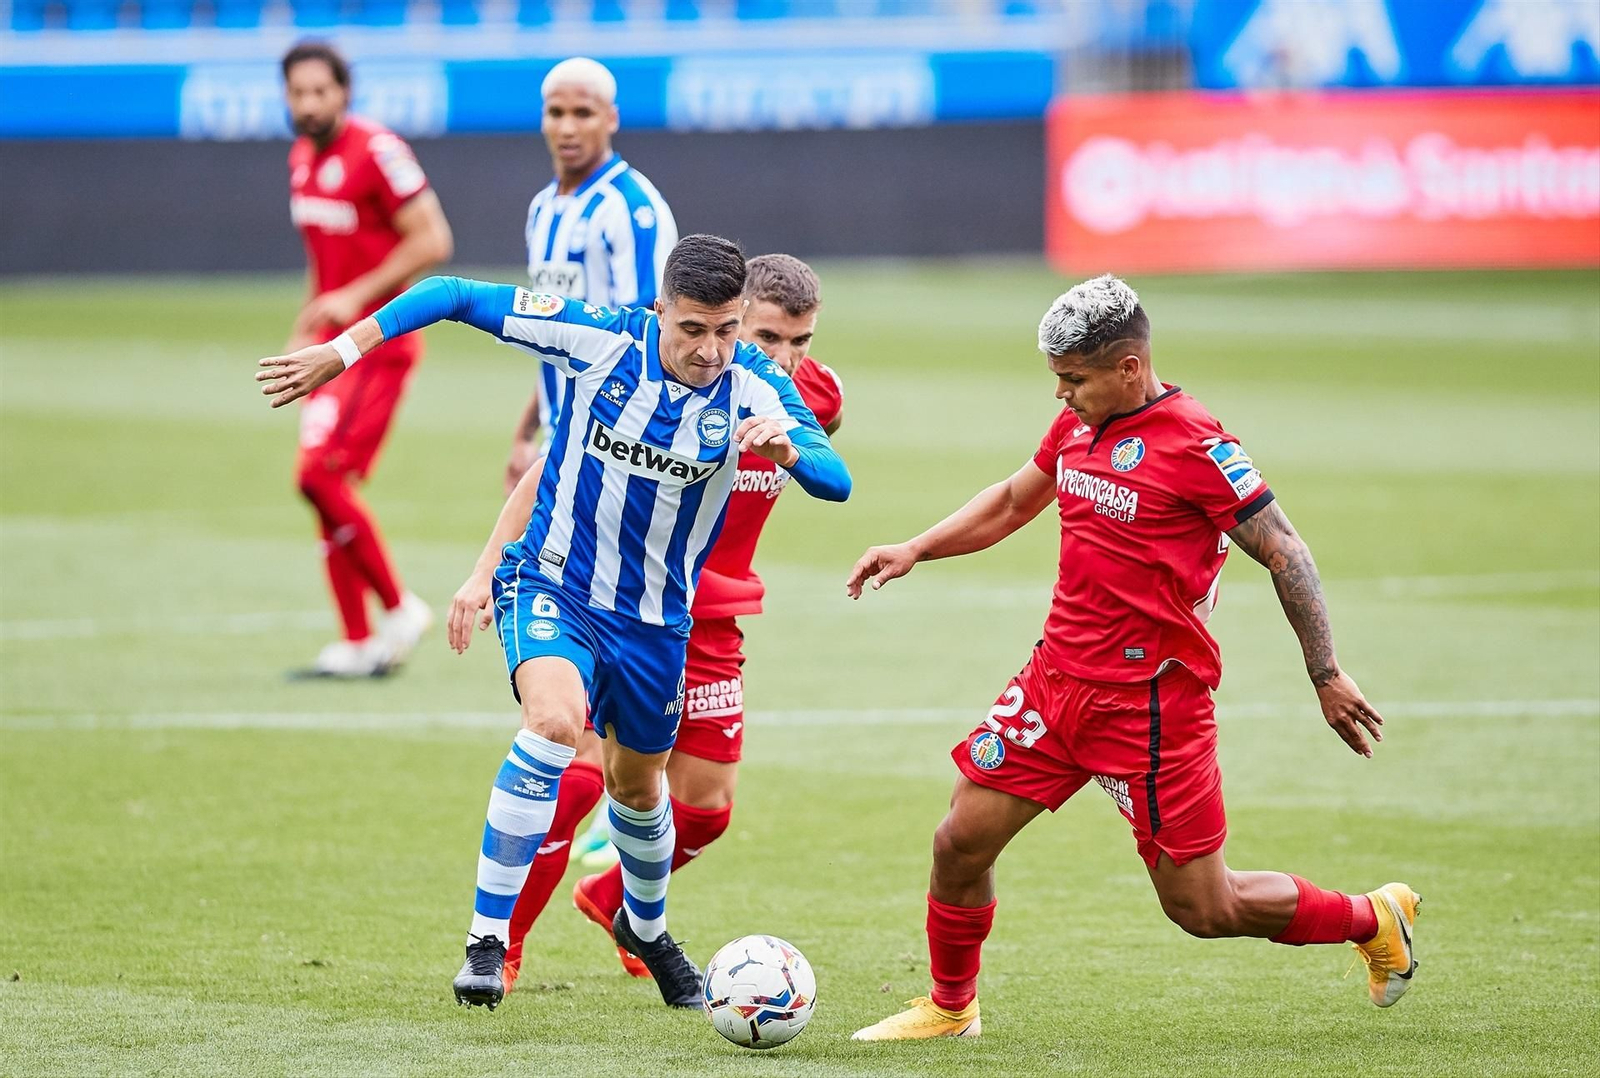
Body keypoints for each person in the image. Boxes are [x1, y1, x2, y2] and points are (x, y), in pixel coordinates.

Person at [255, 235, 851, 1013]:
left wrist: (791, 450)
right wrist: (344, 350)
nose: (712, 350)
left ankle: (648, 926)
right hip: (553, 585)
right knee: (552, 725)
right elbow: (452, 294)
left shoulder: (759, 385)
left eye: (727, 331)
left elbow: (835, 481)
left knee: (641, 794)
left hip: (657, 623)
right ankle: (488, 941)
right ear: (660, 311)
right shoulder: (599, 334)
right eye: (695, 329)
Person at [846, 275, 1418, 1042]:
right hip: (1053, 684)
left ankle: (1370, 917)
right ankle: (952, 1009)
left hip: (1150, 705)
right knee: (959, 840)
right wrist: (918, 546)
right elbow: (1016, 500)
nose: (1061, 396)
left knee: (1202, 909)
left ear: (1128, 367)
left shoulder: (1197, 442)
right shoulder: (1078, 429)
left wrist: (1325, 672)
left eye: (1073, 379)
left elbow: (1286, 551)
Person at [445, 254, 844, 992]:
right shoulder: (679, 360)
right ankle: (504, 948)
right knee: (568, 764)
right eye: (766, 336)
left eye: (801, 341)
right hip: (608, 599)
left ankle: (621, 905)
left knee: (702, 806)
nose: (781, 356)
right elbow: (556, 468)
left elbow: (829, 477)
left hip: (708, 618)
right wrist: (483, 567)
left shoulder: (804, 396)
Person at [282, 41, 454, 677]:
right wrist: (306, 329)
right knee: (324, 486)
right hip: (331, 349)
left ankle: (399, 607)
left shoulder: (378, 151)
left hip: (377, 344)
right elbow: (323, 261)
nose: (308, 104)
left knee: (318, 476)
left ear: (344, 93)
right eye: (297, 93)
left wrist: (355, 296)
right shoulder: (302, 158)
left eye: (319, 91)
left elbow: (434, 239)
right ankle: (356, 641)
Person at [506, 56, 679, 494]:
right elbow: (556, 332)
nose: (567, 128)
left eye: (582, 113)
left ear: (611, 118)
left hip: (612, 439)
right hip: (560, 431)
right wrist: (526, 429)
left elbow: (650, 331)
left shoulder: (631, 208)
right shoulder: (542, 208)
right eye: (556, 113)